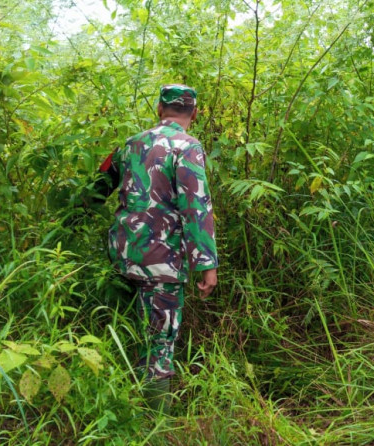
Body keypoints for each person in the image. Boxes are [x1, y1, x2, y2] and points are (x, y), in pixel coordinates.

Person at [90, 84, 219, 409]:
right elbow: (196, 208)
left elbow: (95, 188)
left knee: (123, 331)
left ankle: (114, 405)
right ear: (195, 112)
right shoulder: (188, 147)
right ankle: (154, 426)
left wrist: (70, 220)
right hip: (162, 264)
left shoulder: (130, 143)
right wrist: (205, 263)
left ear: (159, 109)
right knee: (158, 344)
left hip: (122, 256)